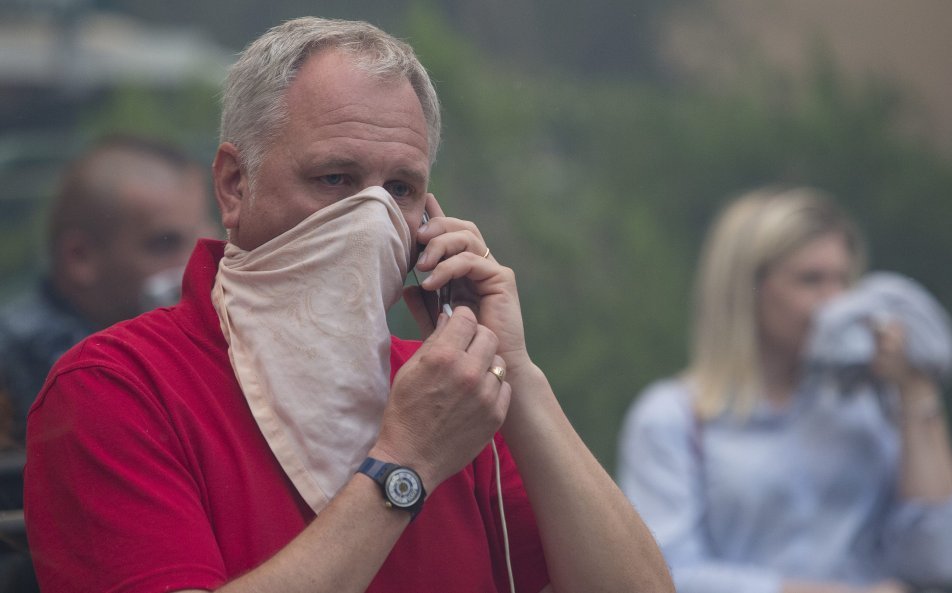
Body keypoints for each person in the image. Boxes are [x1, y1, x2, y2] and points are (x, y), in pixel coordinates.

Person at [24, 17, 672, 593]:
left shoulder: (450, 391)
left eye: (401, 188)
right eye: (335, 178)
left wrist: (516, 374)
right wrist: (405, 464)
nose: (373, 216)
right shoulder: (116, 385)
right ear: (233, 184)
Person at [618, 187, 952, 593]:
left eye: (843, 280)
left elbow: (937, 561)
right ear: (748, 289)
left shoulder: (869, 404)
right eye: (811, 280)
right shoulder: (672, 418)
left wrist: (915, 391)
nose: (835, 302)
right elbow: (661, 575)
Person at [0, 134, 215, 447]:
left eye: (208, 238)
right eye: (165, 243)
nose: (198, 264)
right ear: (80, 258)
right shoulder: (18, 364)